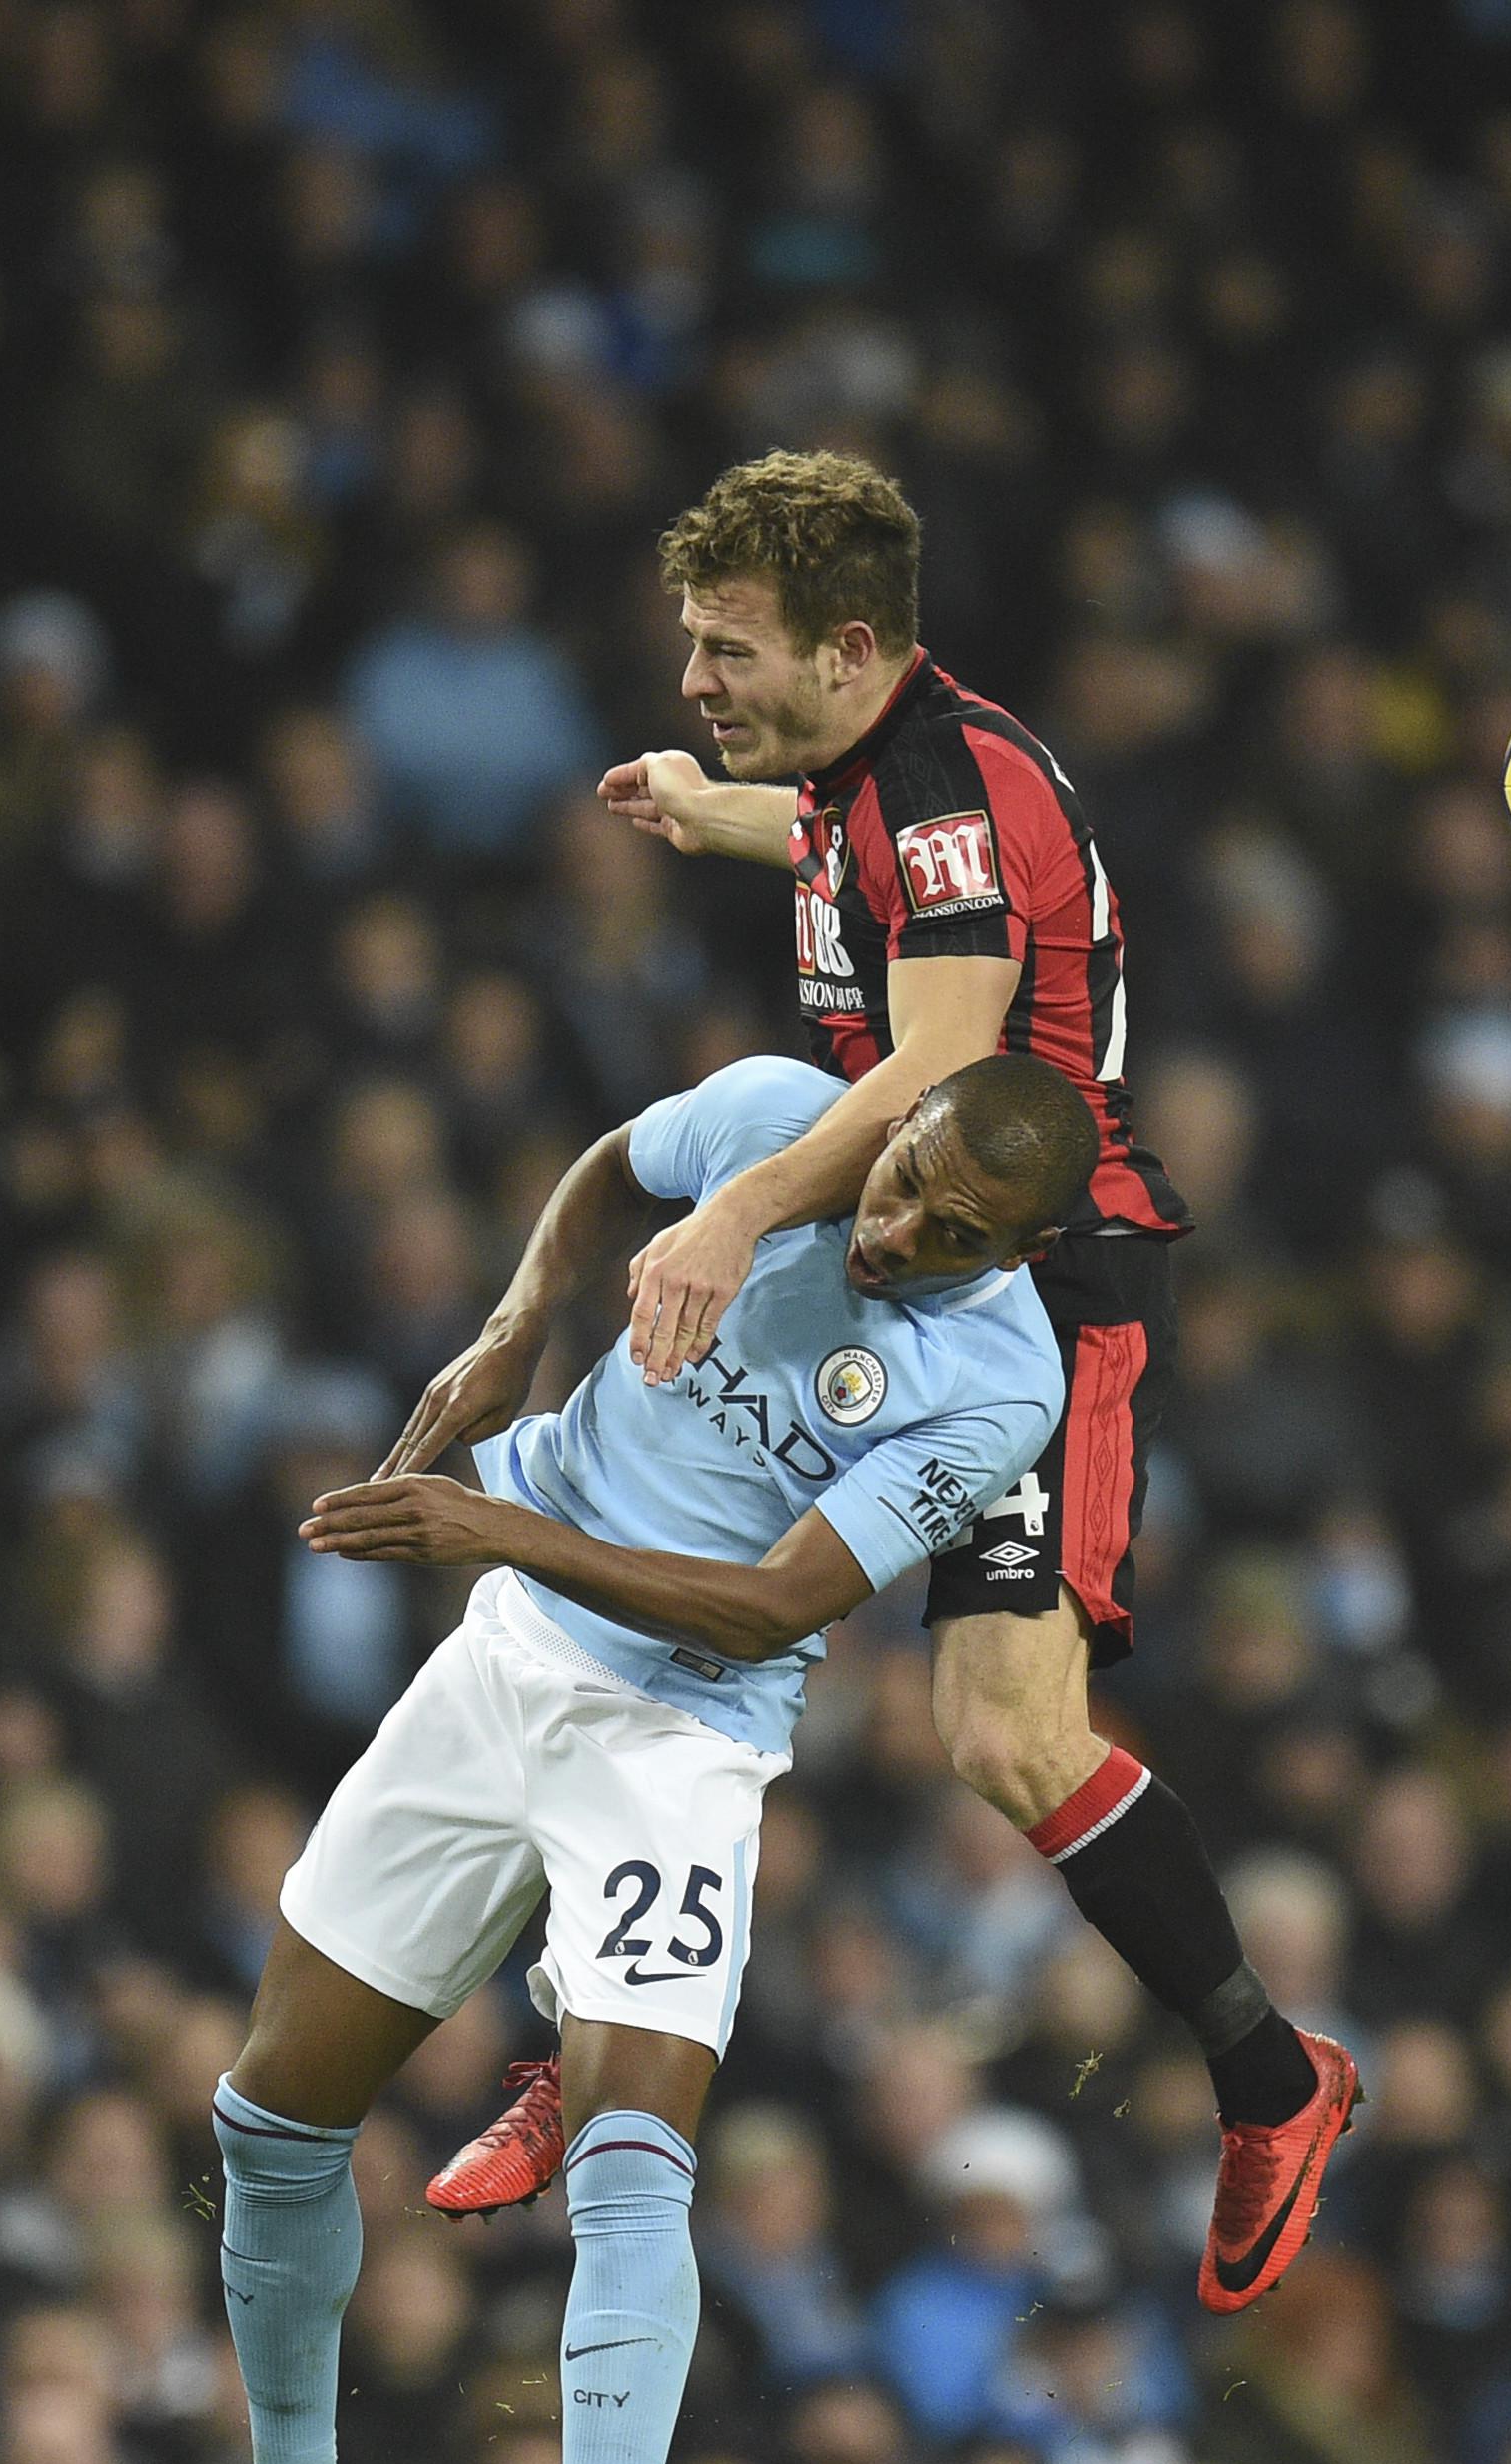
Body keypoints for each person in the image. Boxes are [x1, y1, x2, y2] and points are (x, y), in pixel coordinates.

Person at [108, 1044, 1085, 2464]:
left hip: (681, 1734)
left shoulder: (1001, 1382)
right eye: (903, 1175)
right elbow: (606, 1165)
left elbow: (782, 1593)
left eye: (948, 1227)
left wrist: (494, 1523)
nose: (895, 1222)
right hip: (498, 1672)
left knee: (636, 2159)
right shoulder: (796, 1112)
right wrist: (514, 1322)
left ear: (1013, 1247)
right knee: (267, 2116)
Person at [587, 451, 1360, 2315]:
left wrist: (727, 1219)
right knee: (625, 1570)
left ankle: (1274, 2076)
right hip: (896, 1248)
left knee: (1006, 1731)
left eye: (726, 651)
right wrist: (727, 817)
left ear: (849, 648)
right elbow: (880, 870)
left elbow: (931, 1068)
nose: (695, 679)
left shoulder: (941, 791)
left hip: (1024, 1280)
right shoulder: (881, 776)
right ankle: (568, 2059)